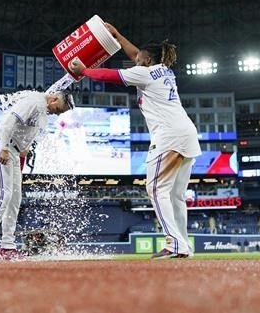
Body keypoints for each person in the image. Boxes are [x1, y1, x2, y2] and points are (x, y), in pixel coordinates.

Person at [70, 22, 201, 259]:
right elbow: (134, 54)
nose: (134, 61)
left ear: (147, 61)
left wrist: (84, 70)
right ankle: (183, 246)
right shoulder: (163, 71)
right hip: (187, 134)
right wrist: (118, 36)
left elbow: (109, 75)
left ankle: (175, 245)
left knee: (156, 189)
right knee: (176, 196)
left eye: (139, 59)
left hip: (169, 136)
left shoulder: (144, 72)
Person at [0, 90, 74, 260]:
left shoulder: (42, 110)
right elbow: (10, 121)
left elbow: (24, 135)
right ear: (53, 99)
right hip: (2, 145)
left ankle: (8, 245)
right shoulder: (34, 101)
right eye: (59, 109)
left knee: (15, 199)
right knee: (2, 195)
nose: (58, 113)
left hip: (14, 152)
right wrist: (4, 147)